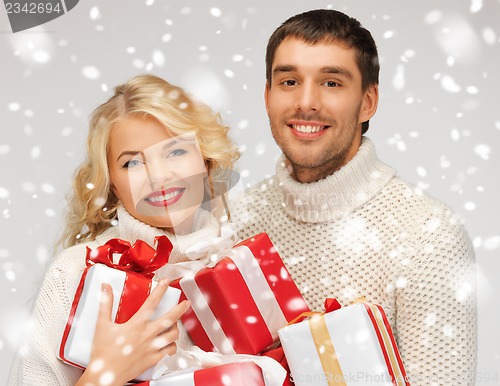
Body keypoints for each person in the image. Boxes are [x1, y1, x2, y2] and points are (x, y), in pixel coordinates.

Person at [229, 9, 477, 385]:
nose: (306, 102)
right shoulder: (233, 219)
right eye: (290, 81)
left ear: (368, 102)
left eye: (331, 83)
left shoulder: (428, 234)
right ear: (267, 96)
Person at [8, 74, 240, 385]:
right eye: (132, 163)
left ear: (205, 161)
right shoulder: (76, 270)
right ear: (113, 184)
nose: (159, 176)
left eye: (175, 151)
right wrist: (108, 372)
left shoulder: (240, 264)